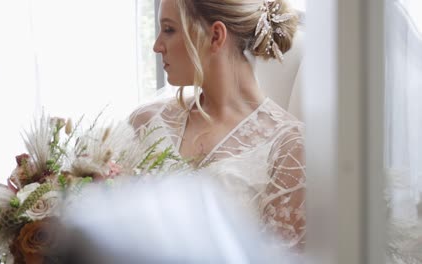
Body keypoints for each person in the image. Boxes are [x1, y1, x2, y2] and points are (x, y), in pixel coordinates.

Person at [130, 0, 305, 251]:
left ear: (215, 36)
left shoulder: (290, 147)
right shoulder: (146, 122)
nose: (157, 46)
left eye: (169, 30)